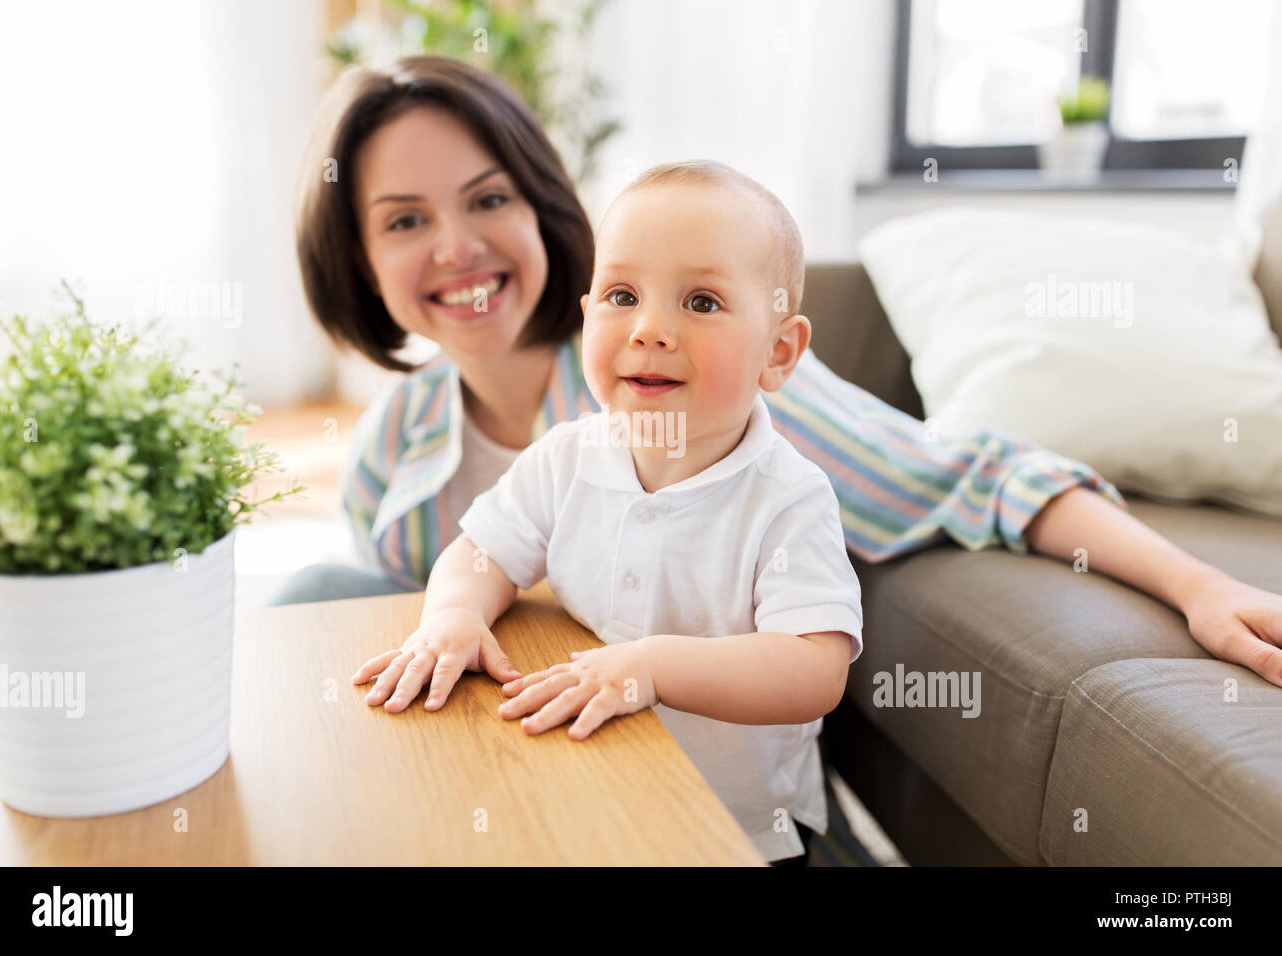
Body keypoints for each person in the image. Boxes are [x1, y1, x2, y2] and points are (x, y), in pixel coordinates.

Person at [285, 60, 1282, 714]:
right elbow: (444, 585)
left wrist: (1199, 585)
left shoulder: (718, 398)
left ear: (545, 209)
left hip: (686, 769)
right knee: (314, 595)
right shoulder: (395, 447)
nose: (457, 246)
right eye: (404, 219)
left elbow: (974, 477)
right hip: (522, 742)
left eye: (488, 198)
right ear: (361, 261)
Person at [351, 160, 861, 864]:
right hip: (597, 788)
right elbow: (483, 552)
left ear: (778, 353)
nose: (650, 329)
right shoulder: (565, 458)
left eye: (702, 303)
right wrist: (454, 617)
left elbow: (814, 671)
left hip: (741, 829)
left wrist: (649, 667)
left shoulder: (788, 499)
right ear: (588, 317)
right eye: (623, 295)